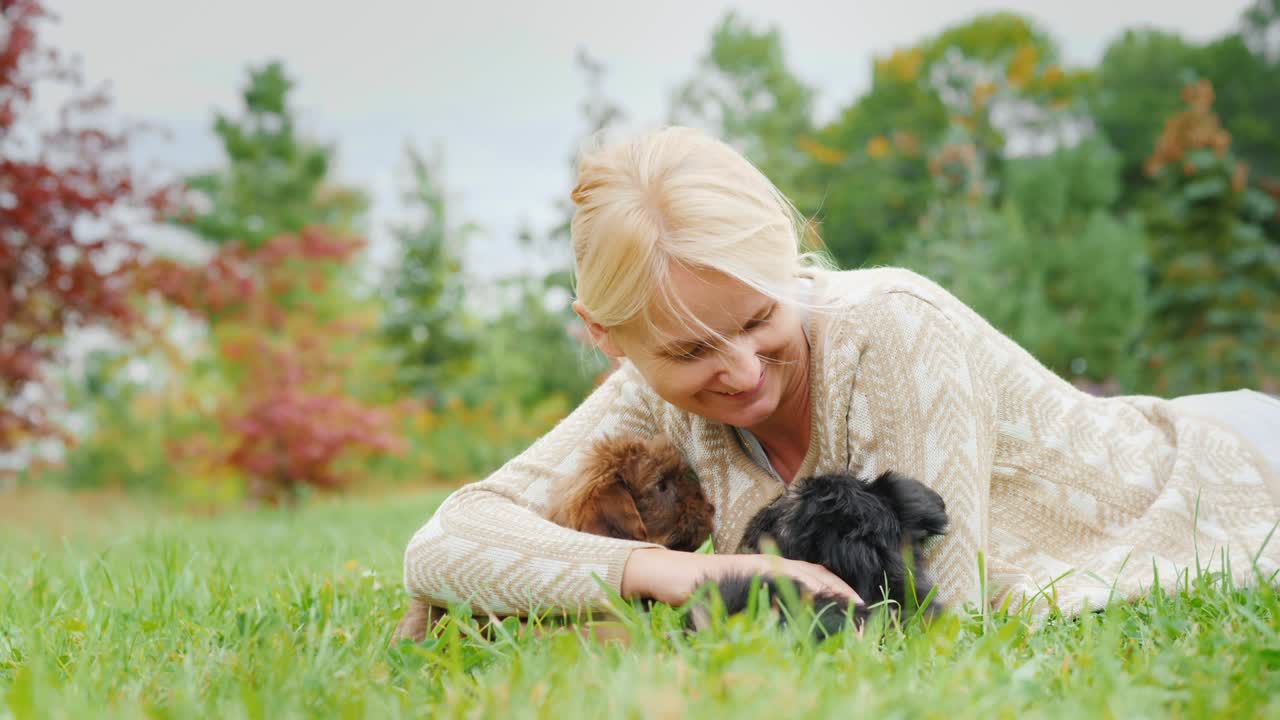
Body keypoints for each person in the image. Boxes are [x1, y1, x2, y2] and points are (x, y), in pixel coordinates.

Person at [403, 126, 1280, 621]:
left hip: (1231, 467)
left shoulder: (892, 329)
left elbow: (937, 615)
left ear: (794, 260)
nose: (742, 370)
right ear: (607, 338)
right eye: (691, 350)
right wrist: (676, 573)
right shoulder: (646, 388)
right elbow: (446, 541)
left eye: (759, 319)